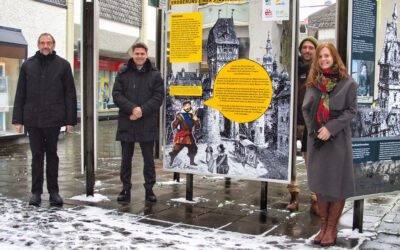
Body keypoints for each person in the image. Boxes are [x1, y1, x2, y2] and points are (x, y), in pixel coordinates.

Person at [12, 33, 77, 206]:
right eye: (42, 43)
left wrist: (70, 120)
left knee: (52, 155)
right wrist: (17, 119)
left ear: (53, 45)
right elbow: (20, 93)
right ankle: (36, 193)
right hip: (33, 119)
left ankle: (54, 192)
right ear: (38, 45)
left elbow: (70, 94)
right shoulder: (28, 65)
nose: (45, 46)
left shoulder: (63, 65)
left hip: (54, 119)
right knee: (36, 156)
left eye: (48, 43)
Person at [302, 42, 357, 246]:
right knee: (320, 184)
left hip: (337, 141)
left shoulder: (348, 83)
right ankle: (323, 226)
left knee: (336, 184)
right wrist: (314, 130)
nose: (324, 59)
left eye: (327, 56)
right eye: (320, 57)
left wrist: (330, 128)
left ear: (334, 57)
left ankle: (332, 229)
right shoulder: (313, 83)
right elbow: (306, 110)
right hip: (317, 141)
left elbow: (351, 111)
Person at [112, 42, 164, 203]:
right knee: (126, 158)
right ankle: (125, 189)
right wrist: (133, 109)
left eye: (142, 54)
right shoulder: (123, 72)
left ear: (146, 55)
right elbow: (117, 94)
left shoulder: (155, 74)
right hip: (128, 121)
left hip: (147, 122)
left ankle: (149, 189)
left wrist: (141, 111)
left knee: (148, 159)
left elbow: (158, 97)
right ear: (132, 55)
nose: (139, 56)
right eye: (137, 54)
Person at [286, 36, 319, 214]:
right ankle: (294, 196)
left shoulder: (320, 70)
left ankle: (315, 199)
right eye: (304, 47)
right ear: (300, 50)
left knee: (312, 162)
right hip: (292, 120)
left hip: (310, 123)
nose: (307, 50)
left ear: (315, 50)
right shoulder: (293, 68)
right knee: (290, 162)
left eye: (311, 48)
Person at [169, 101, 200, 166]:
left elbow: (198, 126)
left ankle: (192, 162)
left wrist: (196, 119)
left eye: (189, 106)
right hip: (182, 136)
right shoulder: (180, 115)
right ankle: (171, 162)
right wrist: (176, 133)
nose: (188, 107)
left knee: (193, 149)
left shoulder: (192, 115)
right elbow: (174, 124)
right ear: (183, 107)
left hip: (189, 135)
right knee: (176, 150)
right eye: (186, 106)